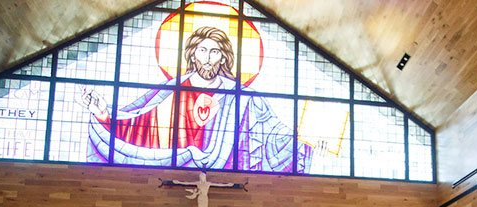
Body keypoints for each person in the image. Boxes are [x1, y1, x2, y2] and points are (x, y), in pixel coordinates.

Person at [80, 26, 312, 171]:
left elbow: (271, 133)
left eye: (215, 52)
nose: (208, 58)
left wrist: (307, 140)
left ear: (224, 58)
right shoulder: (170, 90)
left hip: (227, 183)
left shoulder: (243, 98)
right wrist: (104, 114)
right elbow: (137, 121)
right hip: (172, 176)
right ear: (193, 54)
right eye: (202, 51)